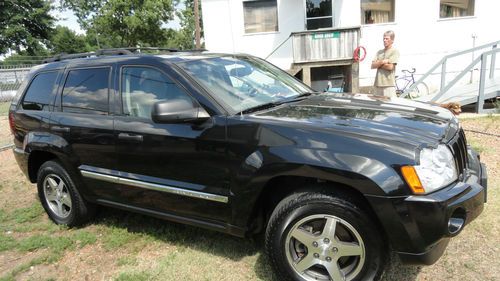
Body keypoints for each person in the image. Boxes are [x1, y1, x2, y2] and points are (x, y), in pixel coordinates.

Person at [371, 30, 399, 98]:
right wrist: (383, 62)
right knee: (377, 106)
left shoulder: (394, 51)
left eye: (387, 39)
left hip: (388, 85)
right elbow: (372, 65)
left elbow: (390, 67)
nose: (384, 40)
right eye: (384, 38)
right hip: (378, 84)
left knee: (390, 106)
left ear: (392, 40)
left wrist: (378, 64)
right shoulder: (379, 52)